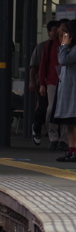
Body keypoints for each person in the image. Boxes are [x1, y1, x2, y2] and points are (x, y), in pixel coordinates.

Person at [39, 20, 68, 150]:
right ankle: (53, 137)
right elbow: (43, 65)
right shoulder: (50, 45)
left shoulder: (71, 44)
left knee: (66, 111)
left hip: (68, 83)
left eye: (61, 28)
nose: (58, 31)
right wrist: (41, 84)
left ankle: (64, 139)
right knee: (51, 109)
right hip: (52, 81)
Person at [28, 21, 58, 145]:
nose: (57, 33)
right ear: (49, 32)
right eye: (54, 30)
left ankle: (56, 137)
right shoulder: (42, 47)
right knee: (43, 108)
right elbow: (34, 67)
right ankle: (37, 127)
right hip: (44, 83)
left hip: (54, 82)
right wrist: (33, 82)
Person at [52, 22, 76, 161]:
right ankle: (71, 150)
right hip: (68, 90)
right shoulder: (69, 48)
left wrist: (64, 45)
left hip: (73, 91)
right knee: (70, 124)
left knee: (74, 122)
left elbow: (63, 60)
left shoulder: (73, 49)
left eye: (66, 33)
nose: (63, 36)